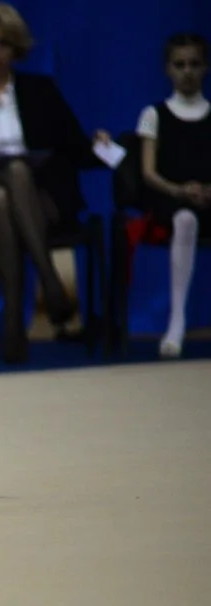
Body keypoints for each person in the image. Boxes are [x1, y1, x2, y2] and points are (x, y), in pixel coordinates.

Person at [0, 2, 110, 363]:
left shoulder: (40, 91)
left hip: (43, 198)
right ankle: (50, 281)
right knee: (4, 186)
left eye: (3, 44)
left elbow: (73, 148)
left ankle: (13, 331)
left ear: (16, 49)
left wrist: (101, 148)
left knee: (11, 188)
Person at [135, 33, 210, 360]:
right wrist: (180, 190)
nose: (187, 71)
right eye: (180, 65)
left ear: (205, 68)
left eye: (194, 64)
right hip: (170, 199)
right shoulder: (154, 115)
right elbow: (149, 172)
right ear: (168, 69)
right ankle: (177, 320)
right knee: (184, 218)